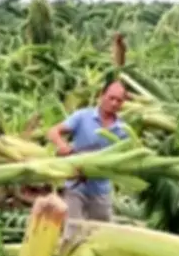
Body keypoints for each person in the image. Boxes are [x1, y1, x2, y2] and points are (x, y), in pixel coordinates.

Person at [46, 81, 129, 234]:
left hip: (101, 188)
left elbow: (123, 159)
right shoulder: (83, 116)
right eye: (111, 98)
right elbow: (53, 131)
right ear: (101, 96)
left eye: (119, 100)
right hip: (76, 185)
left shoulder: (122, 130)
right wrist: (62, 145)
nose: (114, 103)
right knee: (73, 232)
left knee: (101, 233)